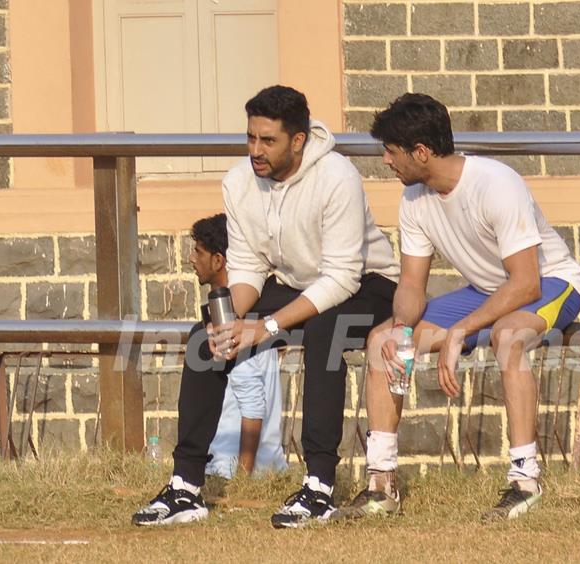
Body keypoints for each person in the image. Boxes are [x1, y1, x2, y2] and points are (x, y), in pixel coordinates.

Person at [132, 85, 399, 529]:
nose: (256, 150)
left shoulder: (337, 177)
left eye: (268, 140)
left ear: (298, 140)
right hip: (298, 282)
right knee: (206, 336)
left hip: (368, 284)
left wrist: (267, 326)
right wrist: (232, 321)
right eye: (251, 137)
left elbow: (342, 277)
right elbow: (249, 264)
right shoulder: (238, 181)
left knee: (323, 332)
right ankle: (186, 486)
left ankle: (319, 487)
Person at [332, 93, 580, 523]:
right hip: (486, 291)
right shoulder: (414, 198)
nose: (386, 162)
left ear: (422, 152)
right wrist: (401, 328)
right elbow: (412, 285)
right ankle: (381, 484)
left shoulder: (496, 183)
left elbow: (525, 283)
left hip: (550, 284)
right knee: (381, 343)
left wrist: (460, 332)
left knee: (508, 337)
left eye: (391, 152)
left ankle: (525, 480)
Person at [187, 213, 287, 479]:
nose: (191, 259)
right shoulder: (250, 309)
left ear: (218, 260)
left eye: (198, 252)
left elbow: (253, 405)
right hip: (249, 467)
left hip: (230, 469)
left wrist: (242, 478)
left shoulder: (237, 319)